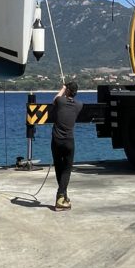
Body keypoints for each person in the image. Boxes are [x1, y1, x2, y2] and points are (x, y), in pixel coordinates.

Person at [49, 79, 82, 211]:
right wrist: (67, 89)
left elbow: (55, 99)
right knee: (67, 169)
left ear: (67, 91)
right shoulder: (79, 105)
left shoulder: (60, 101)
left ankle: (61, 196)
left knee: (59, 167)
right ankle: (62, 196)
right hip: (69, 141)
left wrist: (62, 88)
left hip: (56, 140)